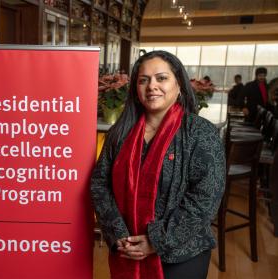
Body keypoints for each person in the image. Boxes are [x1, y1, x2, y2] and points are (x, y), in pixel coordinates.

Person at [90, 50, 225, 279]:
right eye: (144, 80)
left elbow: (204, 198)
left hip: (181, 253)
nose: (152, 86)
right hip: (126, 247)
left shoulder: (200, 133)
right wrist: (118, 233)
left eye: (161, 78)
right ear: (135, 89)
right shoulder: (120, 133)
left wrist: (155, 241)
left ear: (179, 84)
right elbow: (99, 183)